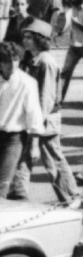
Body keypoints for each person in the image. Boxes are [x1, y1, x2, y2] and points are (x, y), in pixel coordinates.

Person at [14, 22, 76, 202]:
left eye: (29, 37)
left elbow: (46, 98)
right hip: (29, 118)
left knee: (53, 160)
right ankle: (17, 195)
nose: (25, 41)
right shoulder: (28, 59)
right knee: (22, 158)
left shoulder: (46, 61)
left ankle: (71, 196)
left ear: (39, 39)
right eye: (24, 37)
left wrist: (36, 125)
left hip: (44, 119)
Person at [0, 40, 46, 200]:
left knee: (2, 183)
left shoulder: (27, 83)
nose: (12, 65)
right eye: (7, 61)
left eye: (16, 60)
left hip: (13, 139)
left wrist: (34, 146)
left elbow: (34, 115)